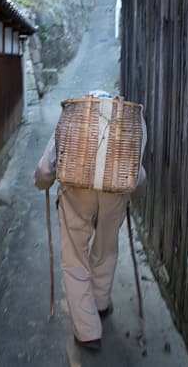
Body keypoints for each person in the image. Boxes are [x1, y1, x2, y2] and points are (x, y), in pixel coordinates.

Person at [33, 90, 146, 351]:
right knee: (106, 249)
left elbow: (44, 169)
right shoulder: (128, 119)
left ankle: (87, 332)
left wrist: (42, 183)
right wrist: (138, 192)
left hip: (76, 194)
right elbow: (136, 172)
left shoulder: (73, 116)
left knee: (74, 258)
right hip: (115, 196)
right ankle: (101, 303)